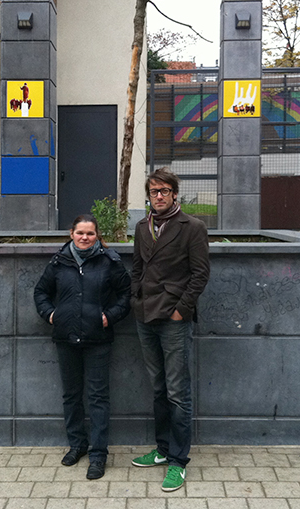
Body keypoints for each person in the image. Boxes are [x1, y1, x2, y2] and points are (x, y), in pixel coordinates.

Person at [130, 167, 210, 492]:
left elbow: (200, 274)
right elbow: (136, 267)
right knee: (159, 387)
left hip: (173, 318)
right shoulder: (141, 227)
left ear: (174, 193)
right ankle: (162, 450)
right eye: (153, 192)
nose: (159, 196)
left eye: (164, 191)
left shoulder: (192, 227)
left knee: (178, 391)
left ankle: (178, 461)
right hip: (145, 316)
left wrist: (181, 311)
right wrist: (135, 298)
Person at [34, 214, 131, 480]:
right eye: (80, 233)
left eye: (90, 233)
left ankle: (98, 455)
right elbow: (40, 292)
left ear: (97, 235)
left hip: (97, 339)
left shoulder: (110, 262)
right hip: (66, 338)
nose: (85, 238)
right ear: (71, 233)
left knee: (98, 398)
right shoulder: (58, 261)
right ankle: (77, 446)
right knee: (71, 396)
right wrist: (51, 315)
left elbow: (126, 294)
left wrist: (108, 316)